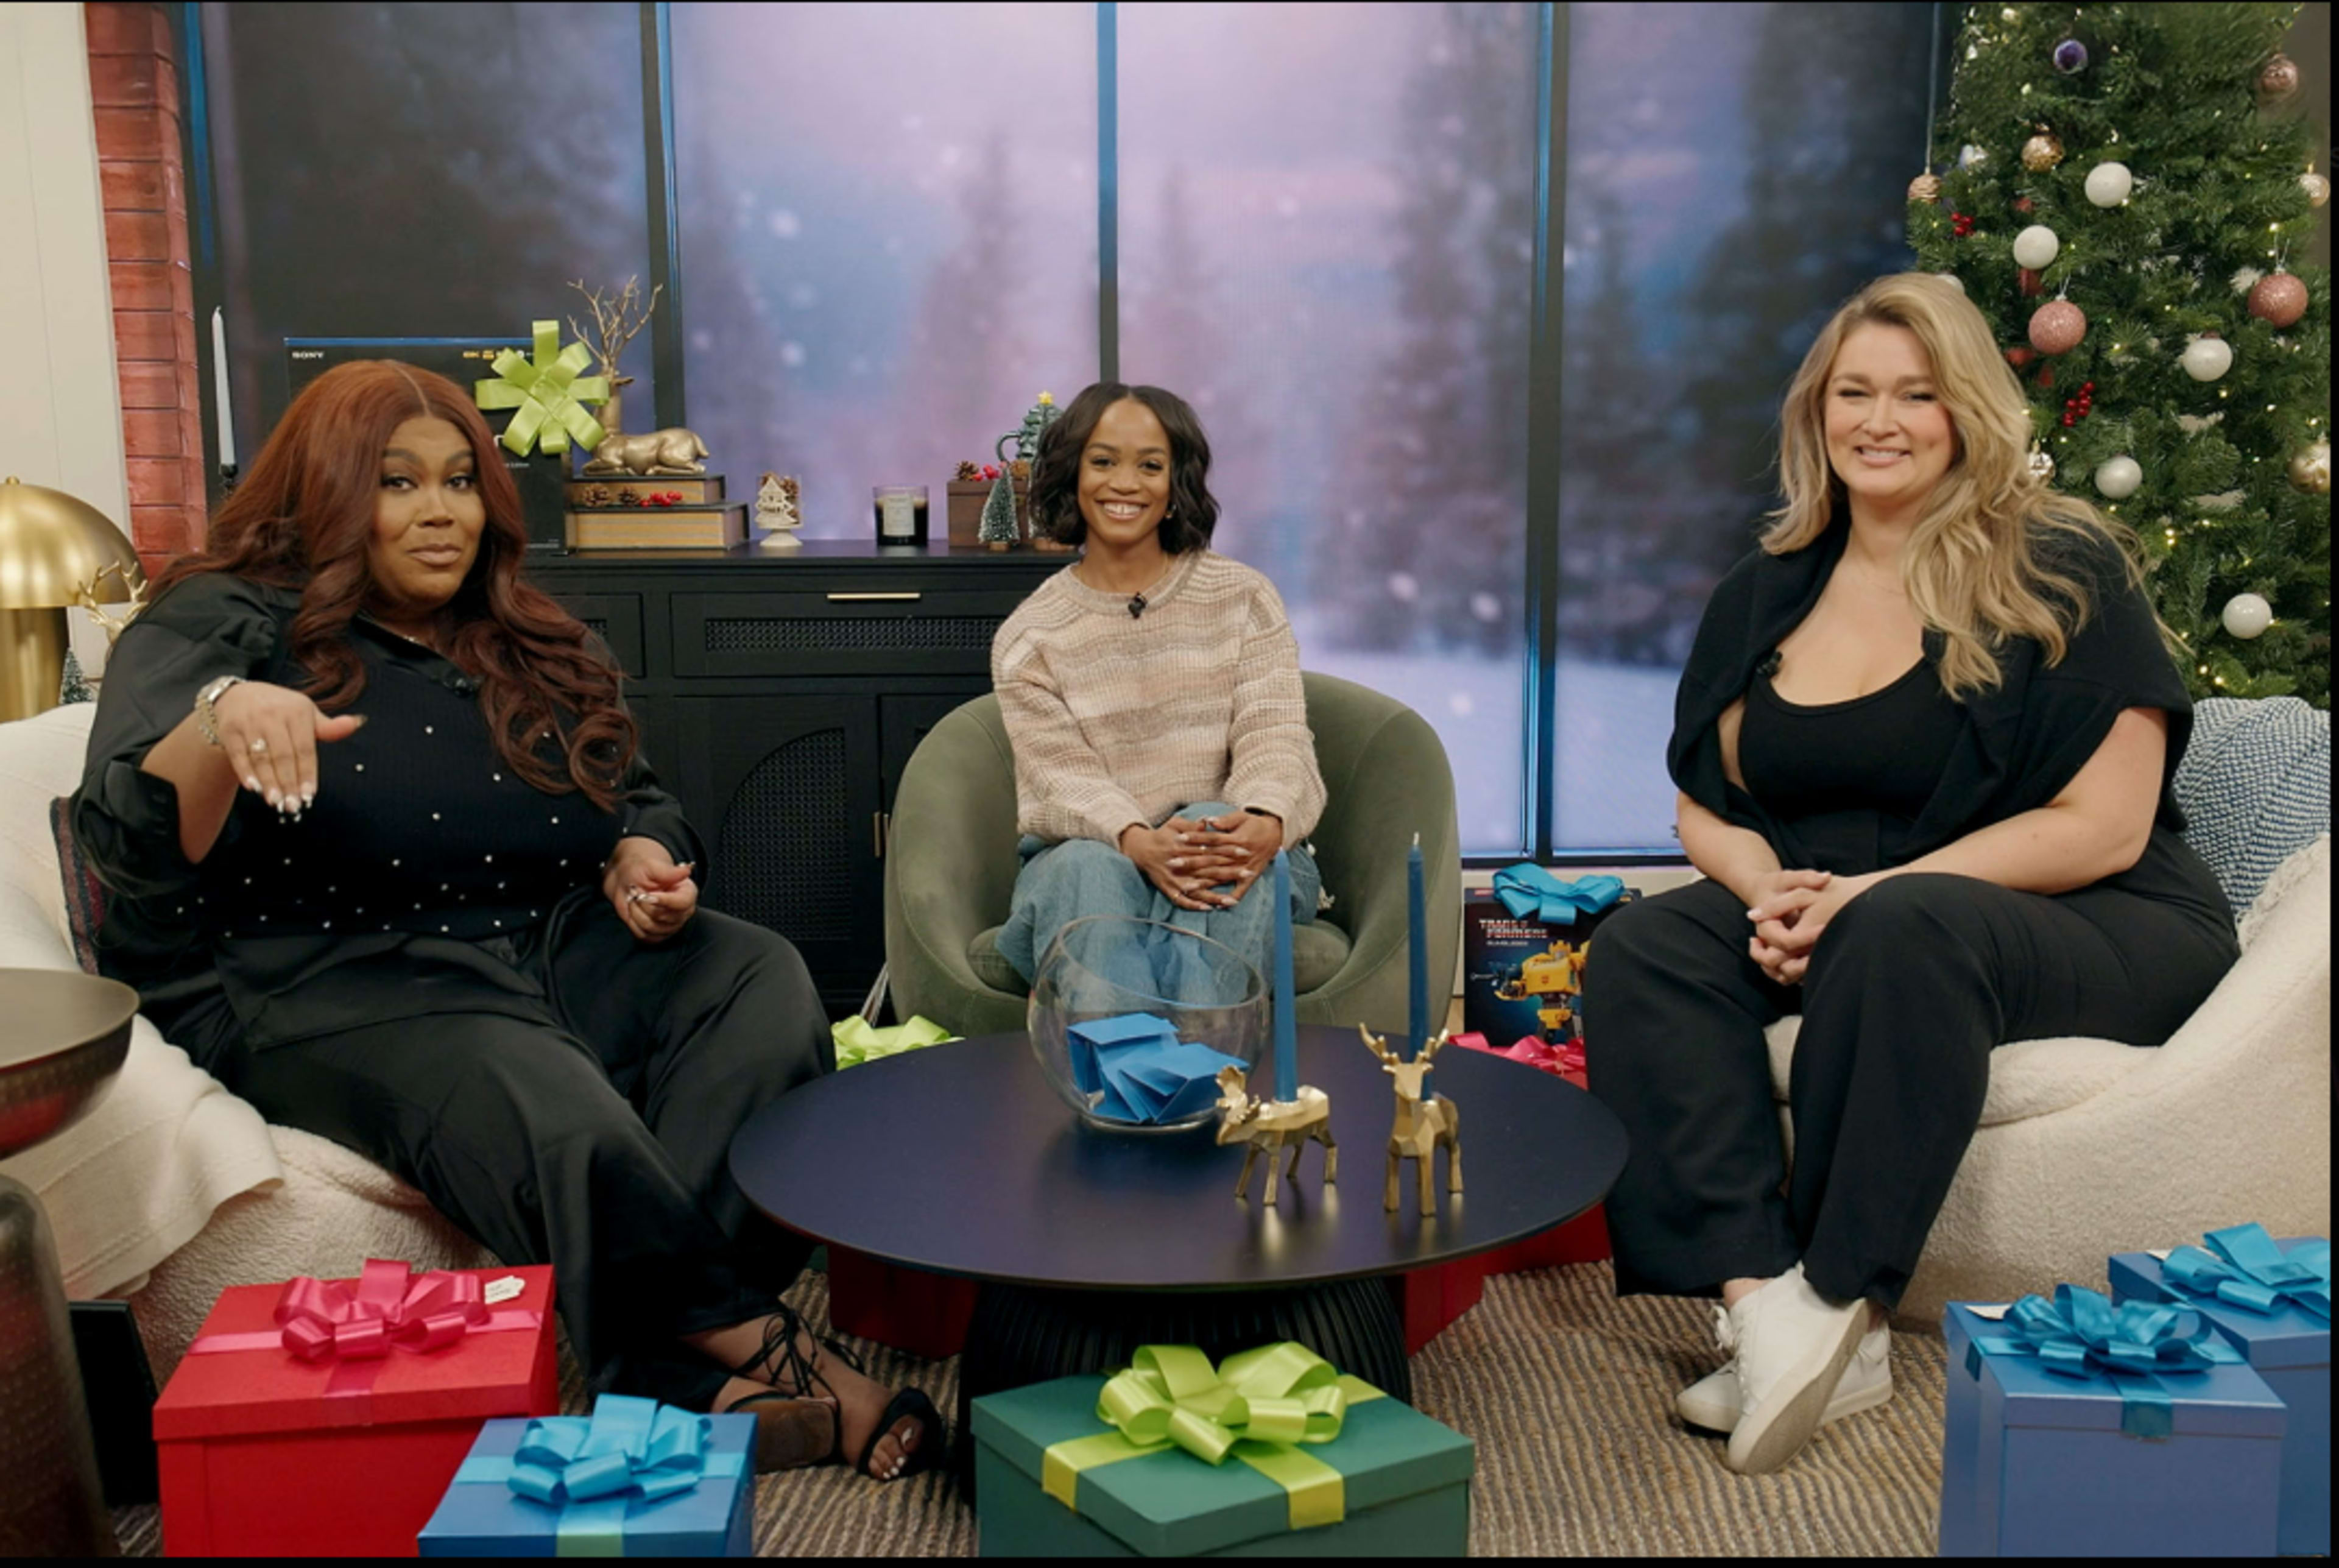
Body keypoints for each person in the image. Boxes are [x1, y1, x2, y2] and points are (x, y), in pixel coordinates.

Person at [72, 361, 940, 1478]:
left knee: (758, 981)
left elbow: (639, 790)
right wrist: (222, 713)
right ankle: (793, 1361)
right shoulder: (226, 619)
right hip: (329, 972)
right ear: (332, 491)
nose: (440, 511)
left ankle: (658, 1360)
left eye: (460, 481)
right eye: (397, 482)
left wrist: (645, 848)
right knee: (545, 1095)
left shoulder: (515, 630)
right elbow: (128, 840)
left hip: (544, 941)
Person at [1582, 274, 2238, 1475]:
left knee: (1909, 925)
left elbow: (2104, 825)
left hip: (2093, 913)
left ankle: (1846, 1295)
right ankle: (1764, 1304)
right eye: (1856, 393)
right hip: (1853, 907)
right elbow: (1701, 804)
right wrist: (1770, 888)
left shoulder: (2061, 568)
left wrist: (1864, 898)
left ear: (1967, 413)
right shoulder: (1766, 591)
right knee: (1642, 949)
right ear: (1816, 413)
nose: (1881, 420)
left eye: (1917, 395)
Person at [990, 382, 1327, 1006]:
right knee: (1089, 867)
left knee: (1210, 832)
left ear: (1177, 487)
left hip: (1228, 841)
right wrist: (1135, 840)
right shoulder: (1029, 636)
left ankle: (1200, 1076)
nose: (1125, 483)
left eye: (1151, 465)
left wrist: (1265, 818)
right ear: (1072, 475)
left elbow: (1275, 731)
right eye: (1103, 461)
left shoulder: (1243, 597)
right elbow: (1061, 778)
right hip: (1094, 853)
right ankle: (1121, 1087)